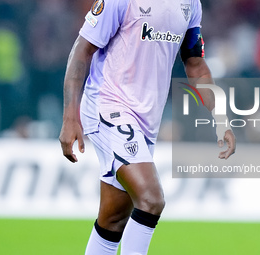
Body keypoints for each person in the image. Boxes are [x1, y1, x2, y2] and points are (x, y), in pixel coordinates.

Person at [59, 0, 236, 254]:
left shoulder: (191, 4)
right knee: (151, 199)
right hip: (108, 105)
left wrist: (221, 116)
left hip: (146, 121)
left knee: (113, 219)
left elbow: (195, 65)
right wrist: (69, 117)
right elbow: (81, 50)